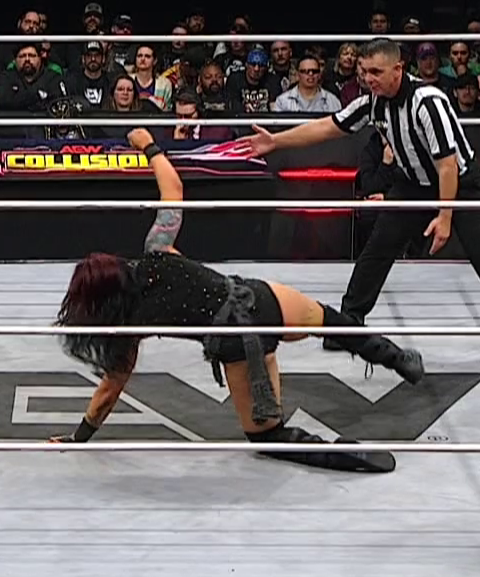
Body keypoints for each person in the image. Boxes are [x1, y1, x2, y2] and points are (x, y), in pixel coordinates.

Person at [51, 128, 419, 473]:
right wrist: (149, 145)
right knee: (329, 320)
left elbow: (109, 391)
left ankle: (346, 455)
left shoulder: (129, 321)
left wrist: (79, 437)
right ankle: (397, 357)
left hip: (239, 341)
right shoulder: (157, 250)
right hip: (257, 296)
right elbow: (173, 188)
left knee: (268, 437)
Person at [241, 39, 480, 356]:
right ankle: (349, 324)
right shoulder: (373, 102)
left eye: (376, 72)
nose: (369, 79)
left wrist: (445, 216)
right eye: (365, 71)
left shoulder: (428, 102)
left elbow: (447, 166)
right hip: (412, 183)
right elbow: (329, 126)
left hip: (462, 184)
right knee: (378, 248)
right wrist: (276, 141)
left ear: (398, 69)